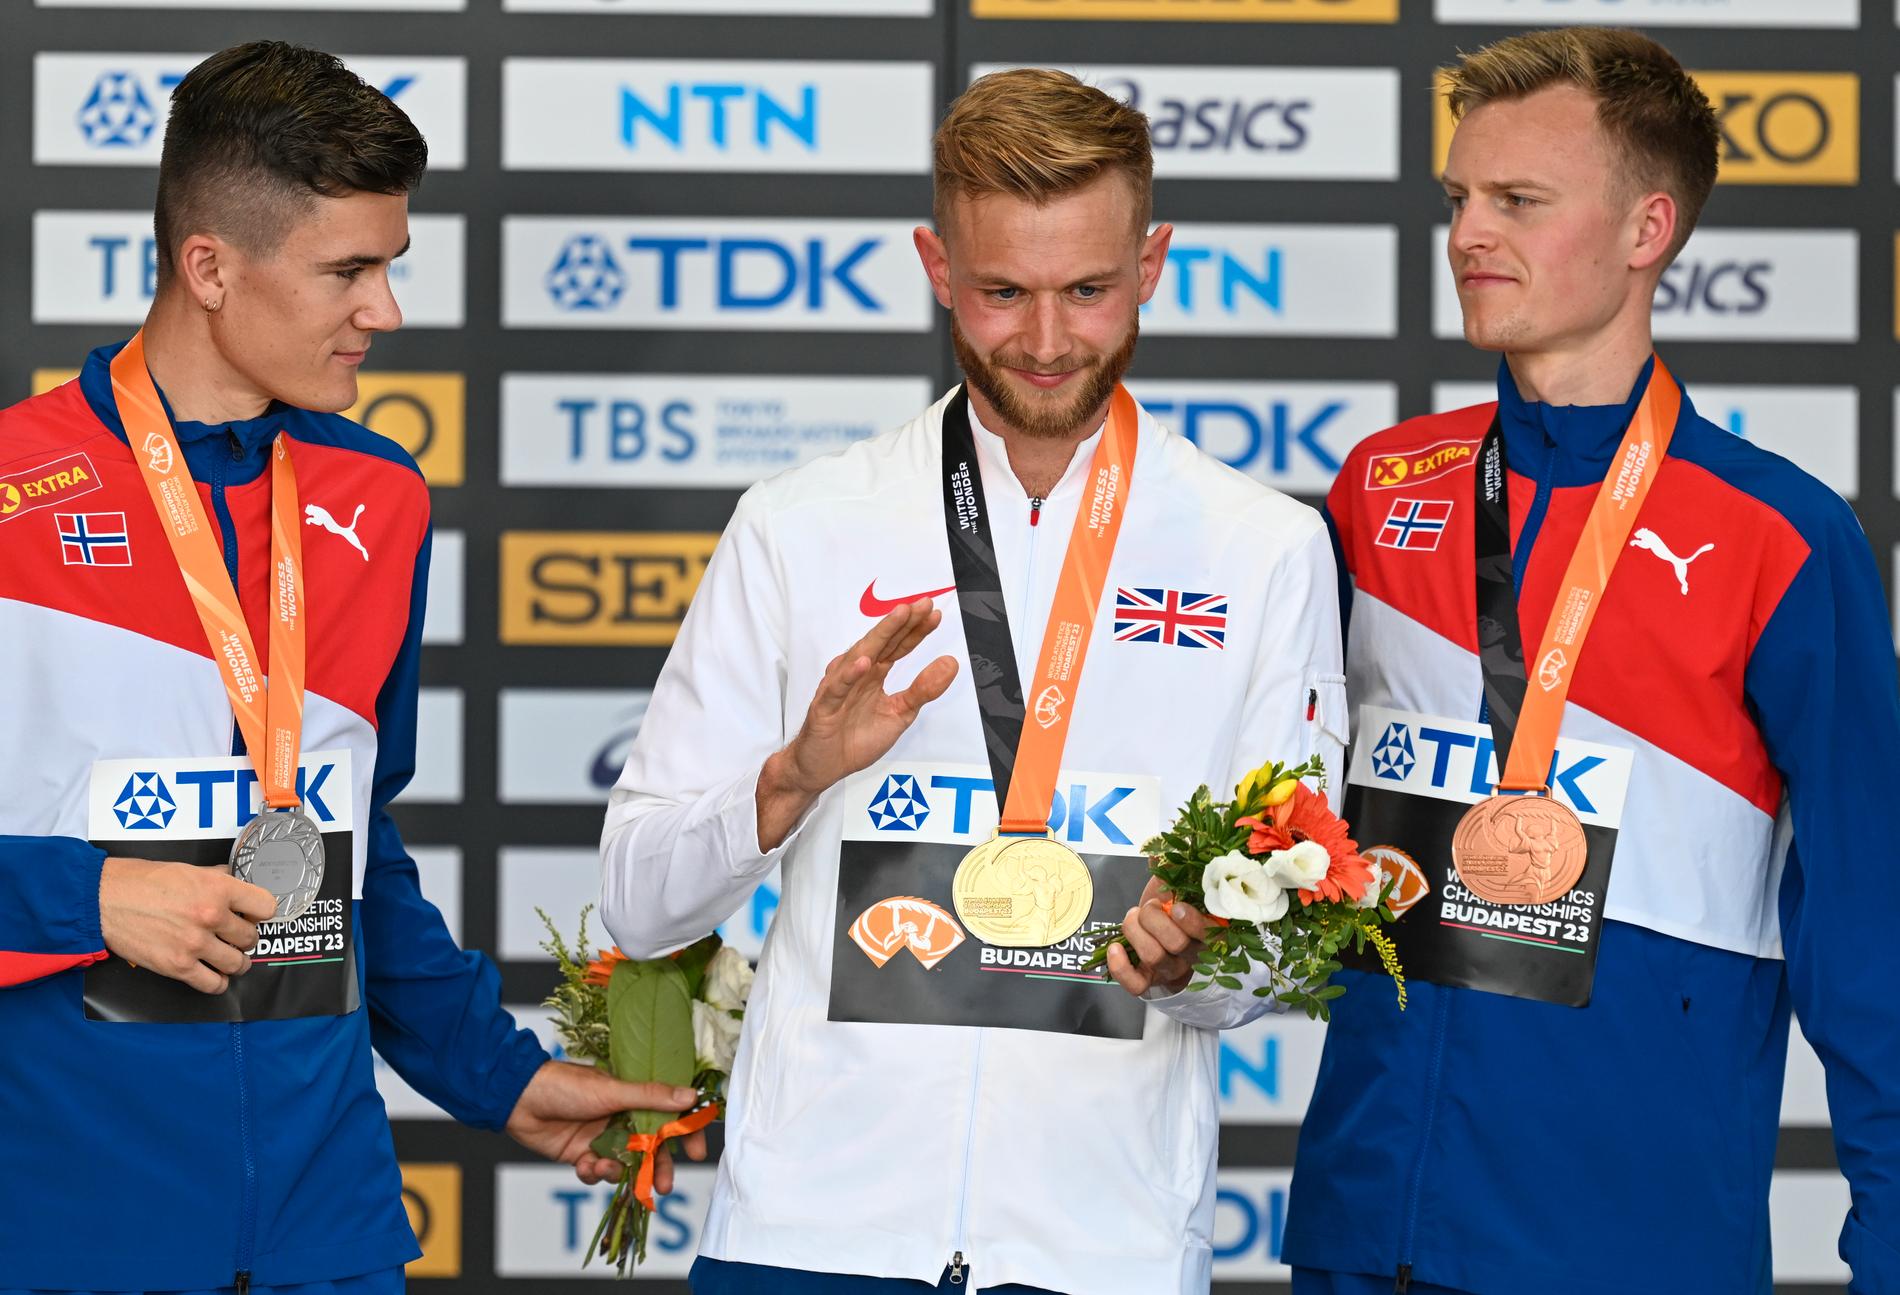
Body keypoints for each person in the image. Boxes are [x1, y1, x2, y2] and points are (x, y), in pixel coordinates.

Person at [600, 68, 1346, 1294]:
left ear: (1151, 264)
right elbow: (640, 903)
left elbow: (1280, 952)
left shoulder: (1260, 545)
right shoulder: (800, 524)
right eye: (1002, 292)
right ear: (937, 266)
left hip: (1104, 1250)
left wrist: (1191, 962)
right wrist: (792, 776)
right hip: (808, 1235)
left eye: (1089, 290)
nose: (1047, 341)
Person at [0, 42, 700, 1294]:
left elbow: (347, 843)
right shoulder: (10, 494)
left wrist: (502, 1074)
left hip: (329, 1231)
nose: (385, 310)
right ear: (208, 266)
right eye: (348, 271)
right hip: (63, 1220)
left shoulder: (377, 494)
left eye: (390, 264)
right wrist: (84, 898)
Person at [1285, 27, 1900, 1295]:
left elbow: (1870, 924)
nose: (1467, 235)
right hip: (1363, 1222)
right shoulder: (1381, 484)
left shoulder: (1777, 534)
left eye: (1518, 201)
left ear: (1646, 229)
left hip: (1628, 1243)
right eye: (1458, 197)